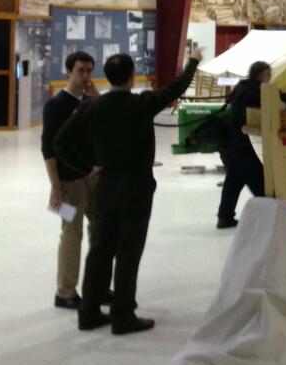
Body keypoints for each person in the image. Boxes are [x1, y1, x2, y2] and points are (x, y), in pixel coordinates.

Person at [55, 47, 202, 334]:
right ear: (132, 77)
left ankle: (89, 312)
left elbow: (60, 143)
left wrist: (88, 167)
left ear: (106, 77)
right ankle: (122, 314)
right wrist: (193, 61)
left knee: (99, 250)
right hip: (136, 187)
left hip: (105, 186)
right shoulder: (141, 104)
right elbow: (177, 86)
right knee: (128, 252)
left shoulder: (91, 107)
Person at [41, 51, 99, 310]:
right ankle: (65, 291)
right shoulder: (56, 106)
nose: (85, 76)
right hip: (69, 181)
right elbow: (49, 149)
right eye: (80, 71)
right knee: (71, 234)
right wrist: (55, 186)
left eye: (89, 71)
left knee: (100, 230)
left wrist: (97, 99)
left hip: (92, 178)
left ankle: (96, 284)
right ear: (69, 71)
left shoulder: (89, 101)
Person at [216, 60, 272, 229]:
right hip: (243, 145)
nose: (270, 77)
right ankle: (270, 218)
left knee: (233, 182)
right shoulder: (252, 93)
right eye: (268, 74)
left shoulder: (242, 88)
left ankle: (225, 217)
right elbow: (265, 101)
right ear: (260, 75)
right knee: (260, 184)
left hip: (234, 144)